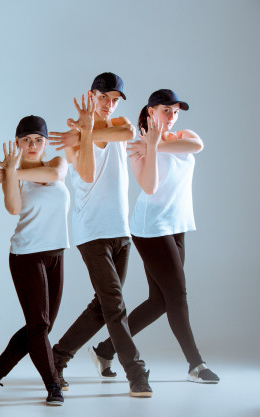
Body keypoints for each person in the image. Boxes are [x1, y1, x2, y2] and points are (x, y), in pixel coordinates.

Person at [89, 89, 219, 384]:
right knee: (177, 295)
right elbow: (149, 187)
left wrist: (154, 146)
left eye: (175, 111)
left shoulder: (182, 136)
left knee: (159, 301)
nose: (171, 117)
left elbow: (197, 145)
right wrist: (147, 148)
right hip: (151, 228)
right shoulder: (135, 147)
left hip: (177, 225)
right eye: (165, 111)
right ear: (150, 112)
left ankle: (106, 349)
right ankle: (195, 364)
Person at [48, 72, 152, 397]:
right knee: (115, 304)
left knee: (102, 307)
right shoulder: (73, 141)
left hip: (121, 229)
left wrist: (86, 131)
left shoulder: (114, 124)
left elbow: (128, 130)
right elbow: (88, 172)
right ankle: (136, 373)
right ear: (91, 95)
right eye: (103, 97)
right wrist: (84, 133)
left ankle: (56, 359)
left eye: (114, 99)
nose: (108, 104)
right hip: (91, 231)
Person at [0, 116, 70, 406]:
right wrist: (11, 175)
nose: (33, 145)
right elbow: (13, 207)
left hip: (56, 254)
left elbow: (53, 176)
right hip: (26, 255)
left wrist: (11, 173)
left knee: (40, 326)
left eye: (38, 140)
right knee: (40, 326)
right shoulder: (13, 172)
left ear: (46, 143)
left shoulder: (57, 162)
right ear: (17, 142)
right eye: (26, 140)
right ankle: (53, 384)